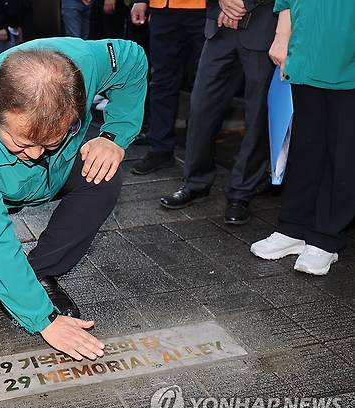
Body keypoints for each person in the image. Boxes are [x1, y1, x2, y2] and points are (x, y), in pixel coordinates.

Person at [0, 38, 148, 360]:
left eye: (49, 142)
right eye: (21, 142)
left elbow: (133, 58)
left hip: (56, 171)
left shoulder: (84, 64)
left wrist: (115, 135)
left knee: (104, 175)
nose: (33, 156)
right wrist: (43, 319)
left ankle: (40, 270)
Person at [251, 0, 355, 275]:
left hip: (347, 48)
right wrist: (281, 36)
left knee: (343, 150)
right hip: (306, 46)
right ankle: (294, 227)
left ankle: (326, 238)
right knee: (305, 146)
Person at [159, 0, 277, 225]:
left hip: (264, 27)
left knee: (258, 116)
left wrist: (241, 4)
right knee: (202, 107)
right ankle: (195, 183)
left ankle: (241, 192)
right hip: (220, 26)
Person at [129, 0, 206, 175]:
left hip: (203, 10)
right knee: (161, 81)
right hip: (162, 9)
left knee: (203, 84)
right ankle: (161, 149)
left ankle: (199, 151)